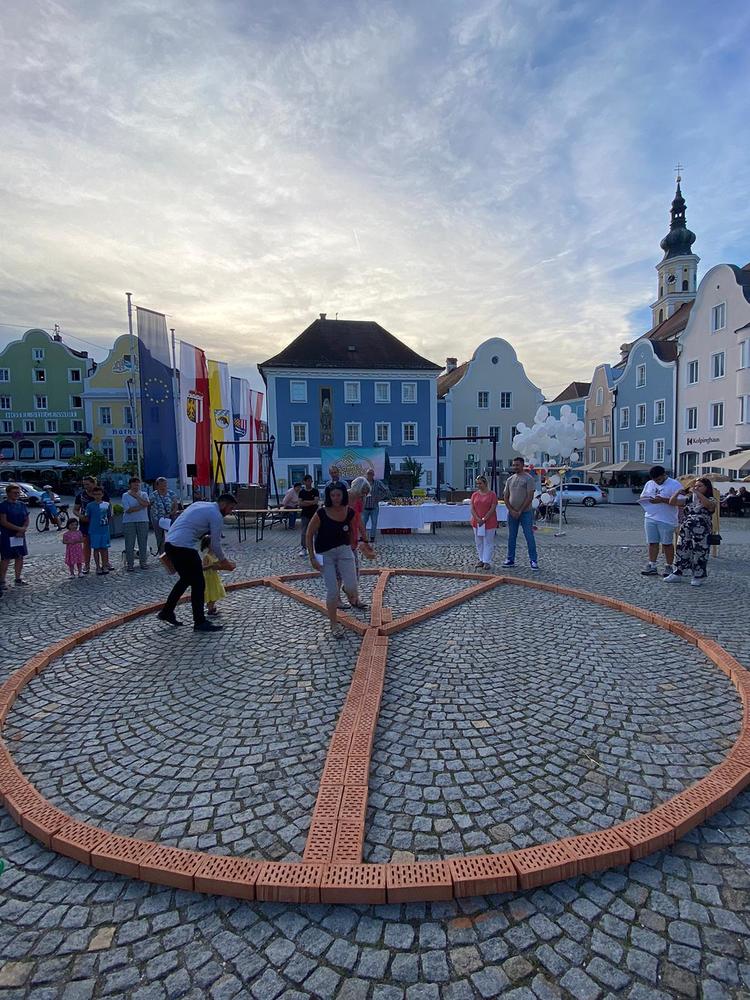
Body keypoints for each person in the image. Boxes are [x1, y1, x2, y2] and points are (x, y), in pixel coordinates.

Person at [158, 493, 238, 632]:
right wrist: (225, 562)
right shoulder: (216, 515)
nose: (230, 512)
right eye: (230, 508)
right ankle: (199, 621)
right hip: (183, 547)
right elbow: (215, 544)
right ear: (223, 504)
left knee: (185, 580)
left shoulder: (199, 504)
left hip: (170, 543)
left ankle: (167, 611)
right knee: (199, 584)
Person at [305, 482, 367, 638]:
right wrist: (312, 557)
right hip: (325, 554)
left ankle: (348, 592)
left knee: (352, 587)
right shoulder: (321, 513)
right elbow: (309, 533)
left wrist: (361, 544)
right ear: (329, 496)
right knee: (332, 591)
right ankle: (334, 624)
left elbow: (356, 527)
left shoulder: (349, 511)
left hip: (344, 551)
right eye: (332, 495)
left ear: (343, 495)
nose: (336, 498)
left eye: (338, 495)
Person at [664, 478, 717, 586]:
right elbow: (672, 502)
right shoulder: (689, 499)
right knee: (681, 549)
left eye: (700, 486)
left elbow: (709, 506)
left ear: (707, 488)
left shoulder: (711, 499)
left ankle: (698, 575)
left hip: (701, 530)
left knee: (699, 552)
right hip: (686, 528)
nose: (696, 488)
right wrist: (677, 493)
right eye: (695, 486)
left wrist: (697, 493)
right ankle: (677, 573)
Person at [639, 465, 682, 577]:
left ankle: (669, 566)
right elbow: (643, 496)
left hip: (666, 518)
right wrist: (646, 500)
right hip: (650, 516)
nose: (657, 482)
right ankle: (652, 565)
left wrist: (662, 500)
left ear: (664, 475)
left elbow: (681, 501)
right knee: (652, 542)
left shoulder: (674, 484)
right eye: (655, 480)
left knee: (667, 544)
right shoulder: (649, 484)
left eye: (659, 479)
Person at [503, 457, 539, 570]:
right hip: (512, 513)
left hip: (525, 512)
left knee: (529, 536)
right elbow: (505, 497)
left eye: (517, 465)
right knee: (511, 536)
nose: (515, 467)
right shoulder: (510, 479)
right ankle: (510, 559)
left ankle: (533, 560)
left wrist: (520, 510)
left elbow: (529, 497)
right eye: (514, 465)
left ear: (522, 465)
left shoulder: (529, 479)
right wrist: (511, 510)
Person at [74, 476, 110, 574]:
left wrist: (107, 520)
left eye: (88, 484)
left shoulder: (102, 493)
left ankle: (106, 563)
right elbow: (75, 509)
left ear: (93, 483)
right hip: (86, 523)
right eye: (84, 484)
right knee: (87, 544)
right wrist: (81, 516)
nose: (86, 486)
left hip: (101, 524)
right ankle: (87, 565)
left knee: (103, 545)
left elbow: (108, 507)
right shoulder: (81, 495)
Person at [0, 483, 30, 592]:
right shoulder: (3, 506)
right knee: (6, 558)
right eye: (14, 493)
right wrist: (19, 529)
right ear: (8, 493)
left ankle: (18, 578)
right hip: (7, 535)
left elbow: (26, 519)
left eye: (18, 492)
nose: (17, 494)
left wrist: (23, 529)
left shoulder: (22, 505)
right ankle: (2, 581)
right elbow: (3, 521)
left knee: (20, 556)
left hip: (20, 535)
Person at [122, 476, 150, 571]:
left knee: (143, 543)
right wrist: (141, 506)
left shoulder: (144, 494)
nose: (136, 486)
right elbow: (128, 510)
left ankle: (143, 562)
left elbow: (147, 504)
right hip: (129, 522)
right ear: (130, 485)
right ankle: (130, 564)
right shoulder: (125, 495)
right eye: (134, 484)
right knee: (129, 543)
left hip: (143, 520)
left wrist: (137, 497)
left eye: (138, 484)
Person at [470, 475, 499, 569]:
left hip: (489, 521)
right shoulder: (475, 495)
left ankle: (487, 560)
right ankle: (481, 559)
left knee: (488, 541)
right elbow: (472, 508)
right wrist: (477, 518)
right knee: (479, 541)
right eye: (477, 483)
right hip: (477, 522)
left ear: (485, 483)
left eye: (480, 483)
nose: (478, 485)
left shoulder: (492, 494)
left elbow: (492, 508)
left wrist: (484, 519)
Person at [86, 487, 113, 575]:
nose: (97, 496)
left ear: (102, 495)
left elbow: (109, 516)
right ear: (93, 495)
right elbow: (87, 517)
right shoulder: (90, 505)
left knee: (104, 548)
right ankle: (97, 566)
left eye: (99, 494)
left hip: (104, 530)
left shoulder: (107, 504)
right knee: (96, 549)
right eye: (95, 494)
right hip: (94, 530)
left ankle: (104, 565)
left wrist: (107, 525)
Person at [200, 534, 226, 617]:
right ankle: (210, 609)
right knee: (211, 592)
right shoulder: (206, 556)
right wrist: (211, 565)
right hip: (209, 578)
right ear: (209, 545)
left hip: (214, 576)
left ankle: (211, 606)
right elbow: (203, 568)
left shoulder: (214, 554)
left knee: (216, 591)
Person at [150, 477, 178, 553]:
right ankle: (162, 553)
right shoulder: (153, 495)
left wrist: (171, 514)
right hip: (157, 519)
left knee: (172, 536)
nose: (163, 487)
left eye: (165, 485)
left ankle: (172, 552)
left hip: (169, 518)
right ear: (157, 486)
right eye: (161, 485)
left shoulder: (171, 493)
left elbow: (176, 506)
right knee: (160, 538)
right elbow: (149, 506)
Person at [362, 469, 390, 541]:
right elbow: (357, 491)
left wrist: (380, 497)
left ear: (373, 475)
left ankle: (372, 537)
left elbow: (386, 490)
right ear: (366, 474)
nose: (369, 475)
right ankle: (363, 537)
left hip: (374, 507)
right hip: (364, 507)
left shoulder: (378, 483)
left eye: (371, 473)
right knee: (363, 523)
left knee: (374, 523)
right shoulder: (363, 483)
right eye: (368, 473)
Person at [297, 474, 320, 557]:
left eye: (311, 481)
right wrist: (311, 502)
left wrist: (305, 502)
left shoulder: (315, 491)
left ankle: (317, 548)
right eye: (308, 481)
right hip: (305, 514)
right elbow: (300, 503)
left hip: (315, 514)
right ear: (304, 482)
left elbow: (316, 502)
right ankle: (304, 548)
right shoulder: (302, 492)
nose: (310, 483)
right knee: (304, 532)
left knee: (316, 532)